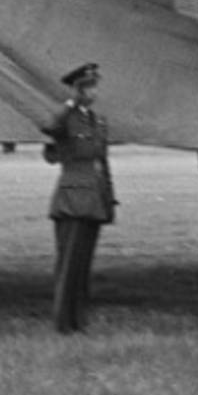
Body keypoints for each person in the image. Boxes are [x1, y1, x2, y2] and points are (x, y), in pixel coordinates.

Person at [40, 62, 115, 335]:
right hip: (72, 199)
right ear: (77, 90)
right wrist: (69, 103)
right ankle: (63, 323)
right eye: (87, 87)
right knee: (68, 264)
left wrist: (109, 198)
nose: (93, 92)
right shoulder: (67, 118)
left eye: (94, 87)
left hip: (94, 198)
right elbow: (48, 126)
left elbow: (102, 162)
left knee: (83, 266)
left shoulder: (97, 121)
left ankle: (79, 320)